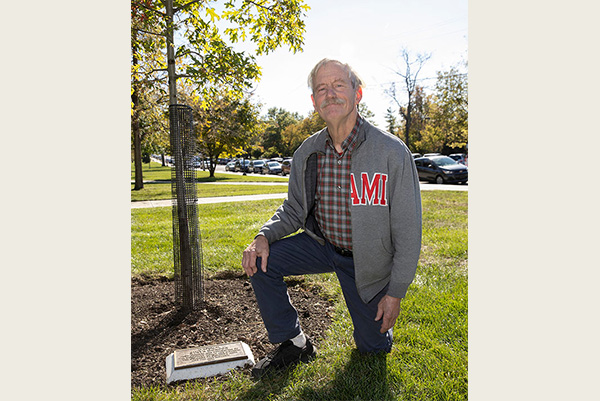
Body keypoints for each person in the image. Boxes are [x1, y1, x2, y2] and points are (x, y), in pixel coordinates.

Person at [242, 58, 422, 379]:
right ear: (314, 102)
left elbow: (408, 230)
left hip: (367, 261)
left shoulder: (392, 152)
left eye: (339, 84)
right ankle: (294, 343)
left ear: (358, 93)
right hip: (321, 245)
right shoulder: (307, 152)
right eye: (321, 88)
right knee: (260, 260)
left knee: (372, 348)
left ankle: (376, 330)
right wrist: (263, 236)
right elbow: (294, 209)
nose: (331, 94)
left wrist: (395, 292)